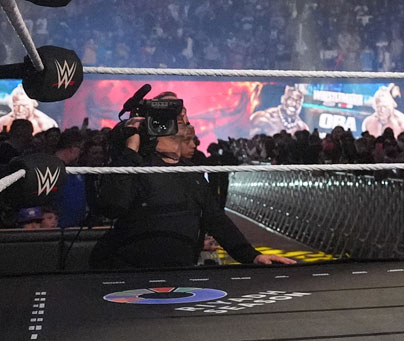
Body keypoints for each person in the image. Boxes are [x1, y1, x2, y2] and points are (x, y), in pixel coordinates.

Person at [90, 108, 296, 270]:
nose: (181, 117)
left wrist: (252, 256)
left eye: (183, 115)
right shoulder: (137, 164)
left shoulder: (191, 174)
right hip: (129, 272)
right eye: (172, 113)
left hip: (180, 273)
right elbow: (112, 205)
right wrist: (131, 148)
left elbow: (215, 219)